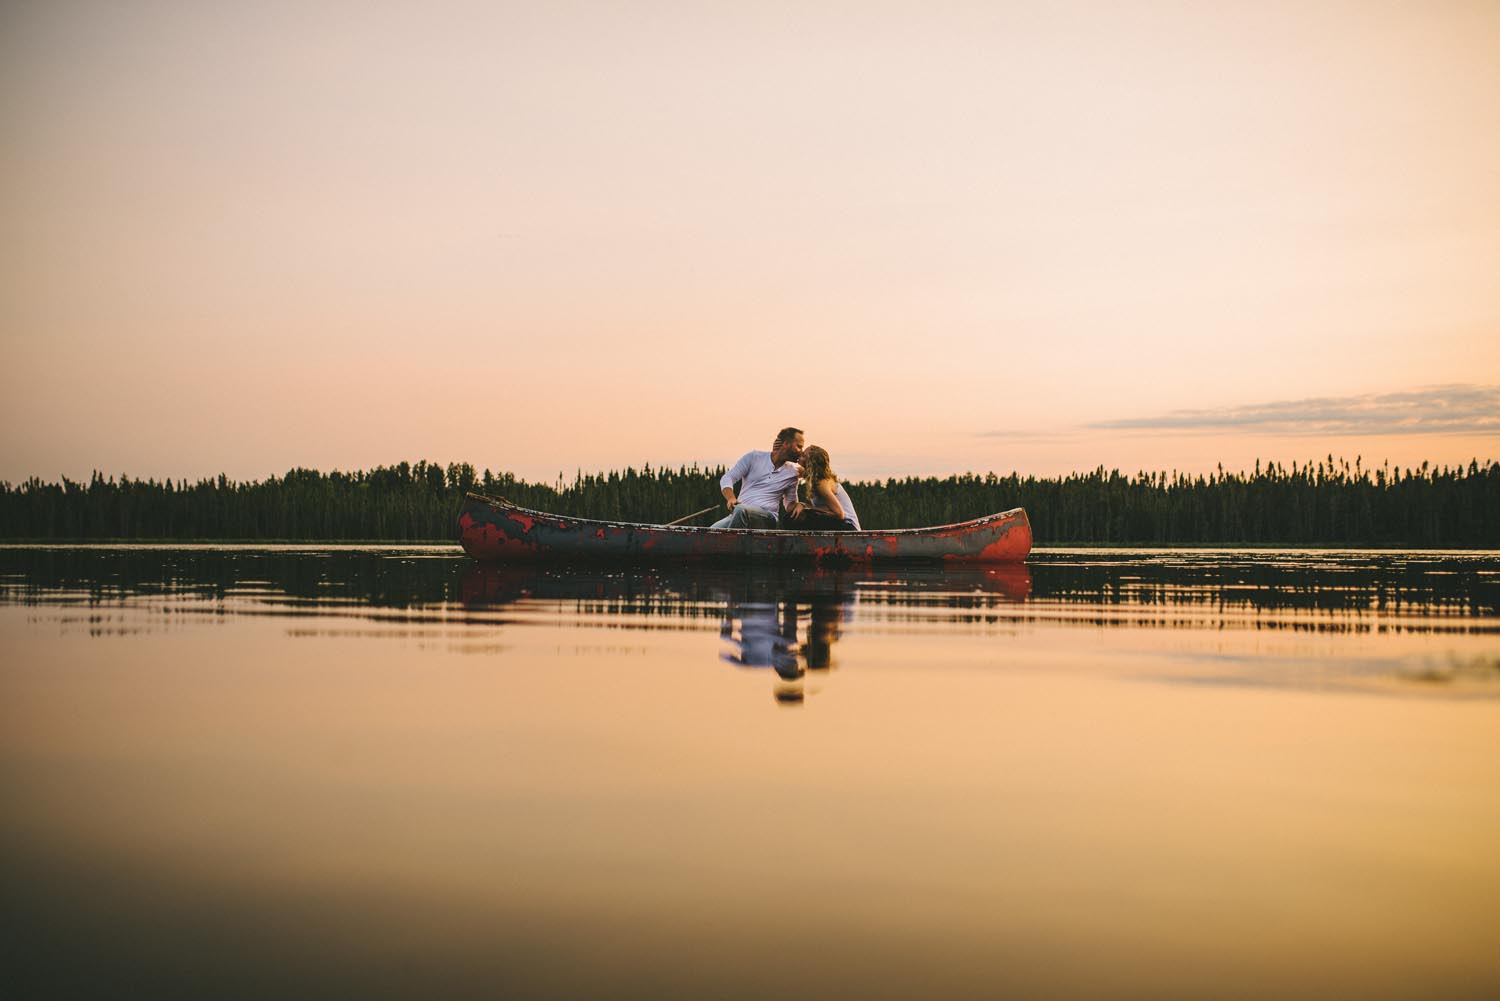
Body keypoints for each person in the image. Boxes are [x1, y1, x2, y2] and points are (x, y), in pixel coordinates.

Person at [710, 427, 805, 529]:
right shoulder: (754, 457)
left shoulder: (793, 473)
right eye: (799, 446)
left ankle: (735, 544)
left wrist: (801, 505)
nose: (801, 451)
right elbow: (727, 478)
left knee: (741, 511)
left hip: (767, 517)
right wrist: (731, 498)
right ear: (786, 444)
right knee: (710, 532)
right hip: (739, 514)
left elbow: (789, 505)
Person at [785, 445, 860, 531]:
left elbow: (839, 514)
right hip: (839, 524)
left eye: (803, 456)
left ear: (810, 463)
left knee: (794, 518)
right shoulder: (813, 478)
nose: (799, 456)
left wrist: (805, 507)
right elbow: (794, 470)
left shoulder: (821, 484)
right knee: (793, 517)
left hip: (848, 527)